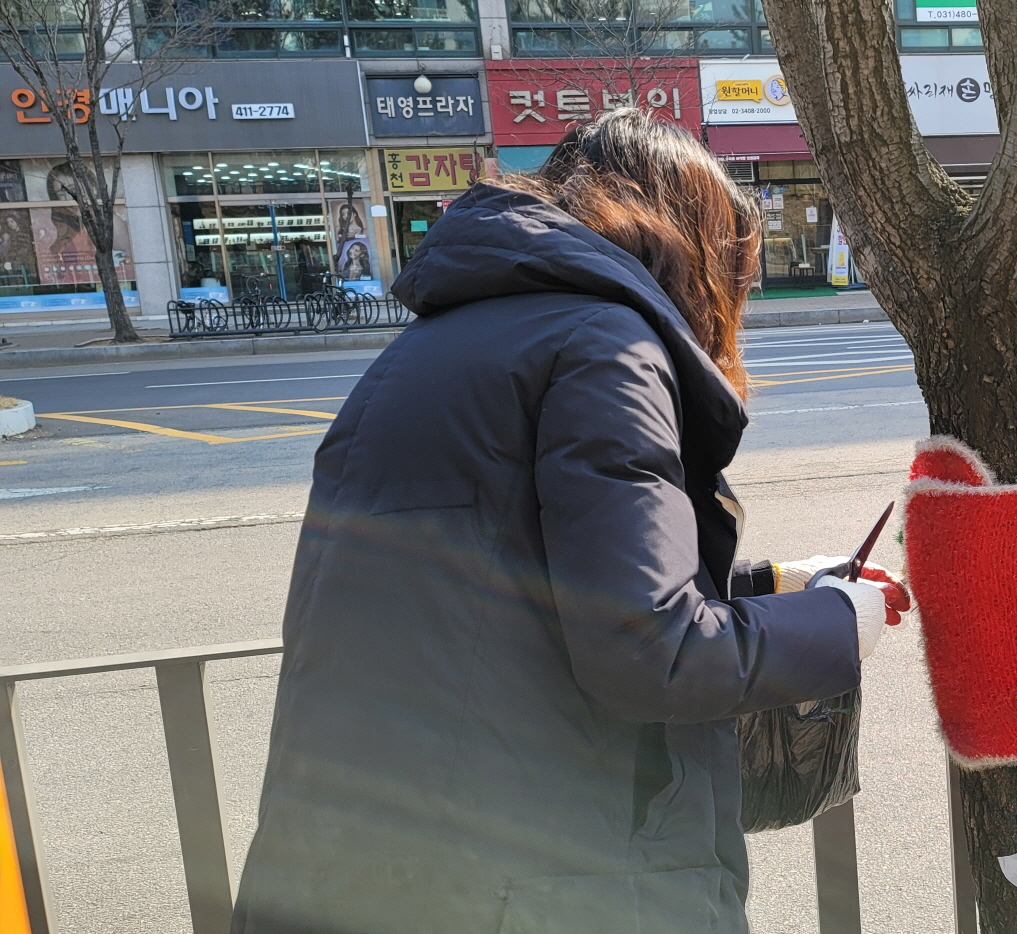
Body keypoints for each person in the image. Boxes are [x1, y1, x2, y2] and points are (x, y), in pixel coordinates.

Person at [230, 109, 909, 934]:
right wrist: (839, 624)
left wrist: (769, 589)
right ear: (693, 246)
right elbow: (650, 652)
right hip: (538, 876)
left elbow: (517, 587)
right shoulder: (605, 346)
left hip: (372, 851)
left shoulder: (439, 341)